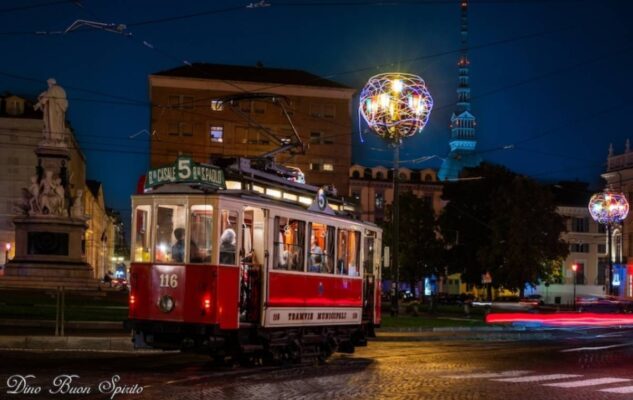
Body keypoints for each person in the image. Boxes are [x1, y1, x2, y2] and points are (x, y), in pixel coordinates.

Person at [34, 78, 68, 143]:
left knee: (53, 124)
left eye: (48, 84)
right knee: (58, 124)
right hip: (59, 111)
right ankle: (57, 137)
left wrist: (38, 104)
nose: (48, 85)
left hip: (54, 111)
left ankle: (53, 138)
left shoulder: (53, 89)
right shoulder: (61, 90)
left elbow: (45, 98)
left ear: (50, 83)